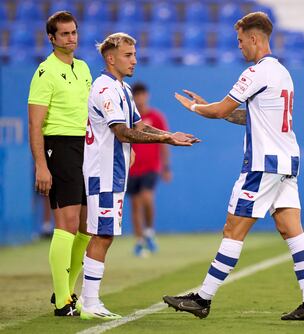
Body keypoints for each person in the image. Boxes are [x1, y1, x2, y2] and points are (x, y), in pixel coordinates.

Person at [163, 12, 304, 321]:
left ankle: (203, 298)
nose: (238, 47)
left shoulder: (256, 72)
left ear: (253, 38)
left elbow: (223, 109)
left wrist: (196, 107)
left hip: (263, 164)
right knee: (292, 230)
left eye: (240, 41)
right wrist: (212, 106)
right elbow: (247, 117)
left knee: (232, 229)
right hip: (287, 161)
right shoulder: (282, 73)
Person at [80, 32, 199, 320]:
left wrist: (170, 134)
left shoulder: (123, 88)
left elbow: (139, 124)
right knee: (102, 234)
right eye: (128, 55)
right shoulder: (105, 89)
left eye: (134, 54)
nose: (134, 60)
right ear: (111, 58)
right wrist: (166, 141)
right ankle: (90, 303)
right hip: (103, 172)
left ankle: (88, 300)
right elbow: (122, 132)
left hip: (115, 171)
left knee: (104, 234)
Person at [28, 11, 92, 316]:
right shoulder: (45, 72)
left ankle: (64, 291)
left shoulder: (83, 68)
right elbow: (35, 124)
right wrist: (41, 165)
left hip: (85, 148)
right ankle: (65, 301)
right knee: (65, 225)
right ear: (51, 39)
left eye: (74, 32)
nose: (71, 38)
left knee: (86, 227)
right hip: (60, 147)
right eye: (64, 34)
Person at [127, 82, 171, 256]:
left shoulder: (156, 117)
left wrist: (166, 167)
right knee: (135, 204)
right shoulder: (128, 119)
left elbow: (165, 142)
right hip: (131, 168)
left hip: (151, 167)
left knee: (147, 197)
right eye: (136, 95)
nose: (139, 98)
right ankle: (139, 241)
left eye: (142, 95)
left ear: (147, 96)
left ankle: (150, 231)